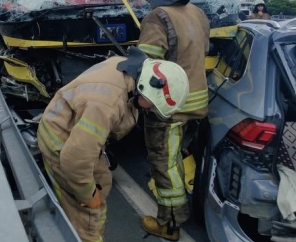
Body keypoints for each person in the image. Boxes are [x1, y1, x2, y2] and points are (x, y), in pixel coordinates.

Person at [38, 47, 190, 242]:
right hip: (60, 142)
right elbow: (75, 161)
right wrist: (89, 197)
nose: (151, 110)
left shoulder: (129, 70)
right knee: (88, 215)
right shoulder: (106, 104)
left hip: (70, 130)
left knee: (102, 181)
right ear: (145, 87)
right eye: (152, 104)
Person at [134, 0, 210, 240]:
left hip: (169, 107)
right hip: (198, 101)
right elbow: (202, 51)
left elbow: (150, 65)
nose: (145, 1)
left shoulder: (157, 17)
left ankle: (170, 223)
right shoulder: (198, 13)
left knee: (164, 164)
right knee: (178, 157)